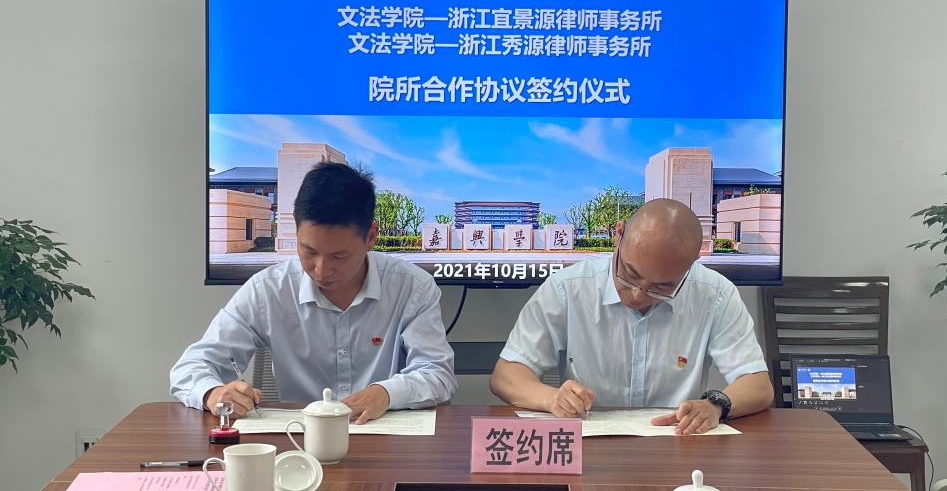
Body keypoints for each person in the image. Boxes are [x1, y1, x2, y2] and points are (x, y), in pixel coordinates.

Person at [171, 163, 456, 423]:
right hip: (299, 444)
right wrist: (213, 393)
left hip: (387, 442)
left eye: (339, 256)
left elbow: (438, 373)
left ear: (370, 236)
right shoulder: (268, 290)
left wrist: (387, 393)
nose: (321, 270)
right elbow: (191, 367)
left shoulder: (411, 287)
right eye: (308, 251)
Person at [490, 198, 773, 434]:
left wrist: (716, 405)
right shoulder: (568, 288)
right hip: (590, 449)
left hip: (679, 445)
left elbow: (758, 386)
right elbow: (506, 376)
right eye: (629, 274)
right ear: (619, 233)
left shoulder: (715, 293)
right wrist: (553, 399)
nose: (638, 295)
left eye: (662, 287)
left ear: (691, 263)